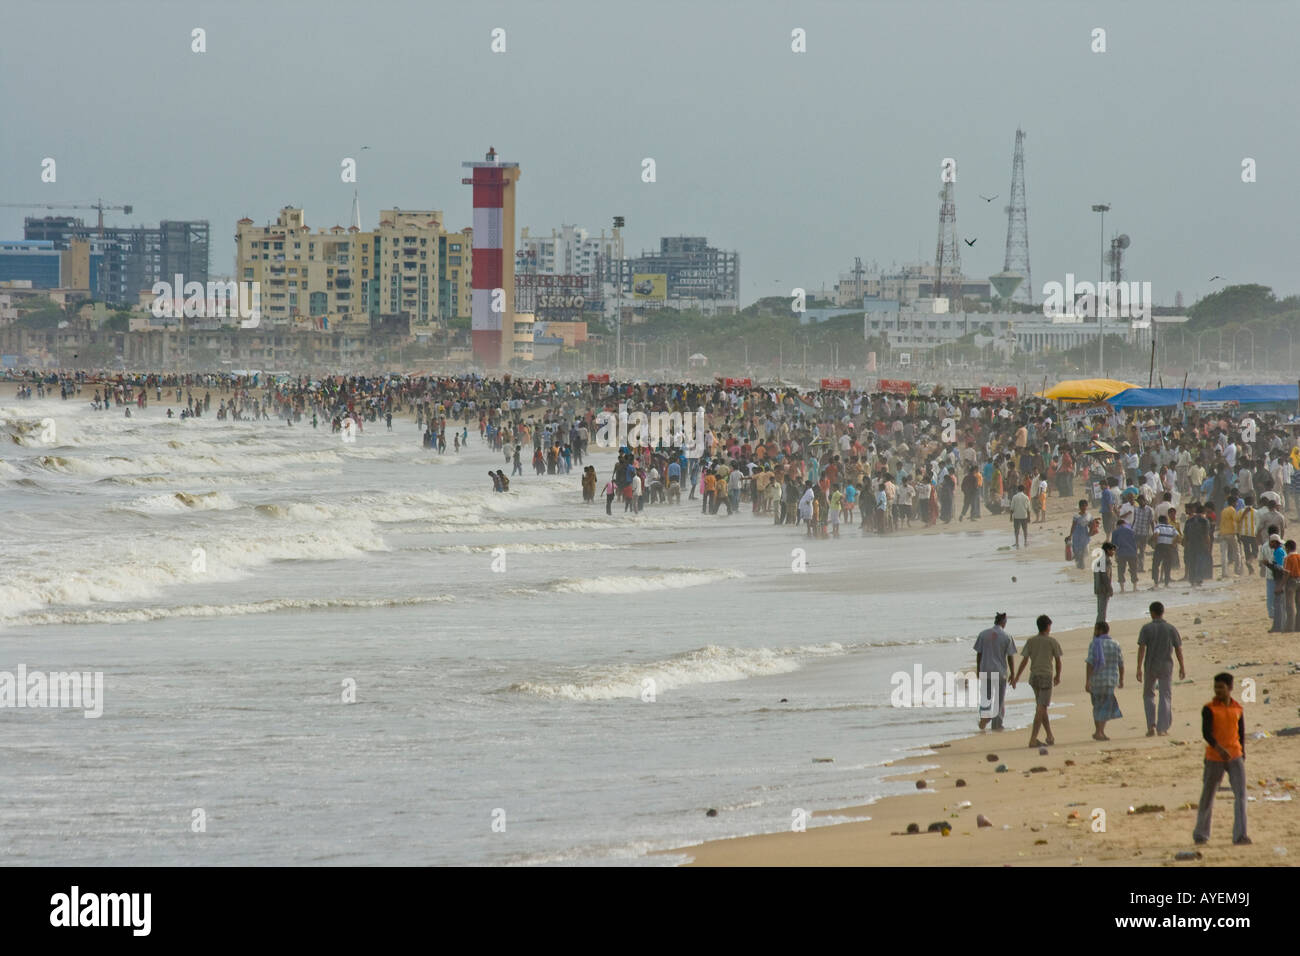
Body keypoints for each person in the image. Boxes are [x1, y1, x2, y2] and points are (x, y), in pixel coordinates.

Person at [1192, 673, 1250, 846]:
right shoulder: (1209, 709)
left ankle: (1240, 835)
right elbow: (1206, 733)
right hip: (1214, 758)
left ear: (1230, 688)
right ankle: (1201, 834)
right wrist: (1219, 748)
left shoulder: (1238, 708)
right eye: (1216, 687)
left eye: (1221, 688)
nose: (1218, 691)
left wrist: (1242, 753)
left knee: (1240, 795)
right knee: (1208, 796)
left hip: (1235, 756)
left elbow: (1241, 732)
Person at [1136, 601, 1186, 737]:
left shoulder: (1146, 628)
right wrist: (1182, 666)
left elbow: (1141, 649)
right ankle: (1162, 728)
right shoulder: (1171, 628)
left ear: (1152, 613)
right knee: (1165, 695)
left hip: (1150, 665)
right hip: (1166, 666)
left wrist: (1139, 668)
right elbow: (1178, 649)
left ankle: (1151, 725)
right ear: (1162, 612)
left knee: (1148, 695)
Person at [1012, 614, 1061, 747]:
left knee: (1041, 706)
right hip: (1046, 676)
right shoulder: (1052, 641)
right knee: (1041, 707)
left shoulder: (1031, 641)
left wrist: (1016, 677)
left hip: (1034, 677)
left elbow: (1024, 660)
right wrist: (1058, 676)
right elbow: (1058, 661)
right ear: (1048, 626)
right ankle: (1033, 739)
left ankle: (1050, 736)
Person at [974, 612, 1017, 731]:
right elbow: (1010, 657)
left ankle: (984, 717)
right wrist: (1013, 674)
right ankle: (997, 724)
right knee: (999, 699)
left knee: (986, 697)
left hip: (985, 670)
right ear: (1004, 622)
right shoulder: (1007, 636)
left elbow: (979, 654)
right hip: (1000, 671)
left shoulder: (983, 634)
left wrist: (978, 670)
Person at [1085, 621, 1124, 741]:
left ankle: (1099, 731)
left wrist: (1087, 680)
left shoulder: (1094, 644)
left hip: (1096, 680)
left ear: (1100, 630)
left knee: (1097, 706)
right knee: (1105, 706)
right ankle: (1100, 732)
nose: (1094, 632)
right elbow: (1121, 663)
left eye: (1096, 629)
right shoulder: (1115, 644)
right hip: (1110, 680)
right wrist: (1121, 679)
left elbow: (1090, 663)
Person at [1112, 516, 1138, 592]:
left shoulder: (1115, 532)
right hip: (1132, 553)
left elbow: (1113, 545)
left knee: (1121, 571)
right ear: (1124, 524)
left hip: (1121, 553)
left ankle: (1122, 589)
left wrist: (1115, 555)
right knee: (1133, 570)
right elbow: (1135, 543)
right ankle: (1134, 588)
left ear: (1118, 525)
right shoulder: (1131, 531)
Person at [1094, 541, 1116, 623]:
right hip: (1103, 589)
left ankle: (1099, 629)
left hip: (1099, 588)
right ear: (1107, 550)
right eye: (1112, 550)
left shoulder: (1100, 559)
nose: (1113, 552)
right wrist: (1110, 588)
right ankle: (1100, 630)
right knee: (1102, 612)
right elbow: (1105, 576)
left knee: (1101, 611)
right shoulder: (1104, 560)